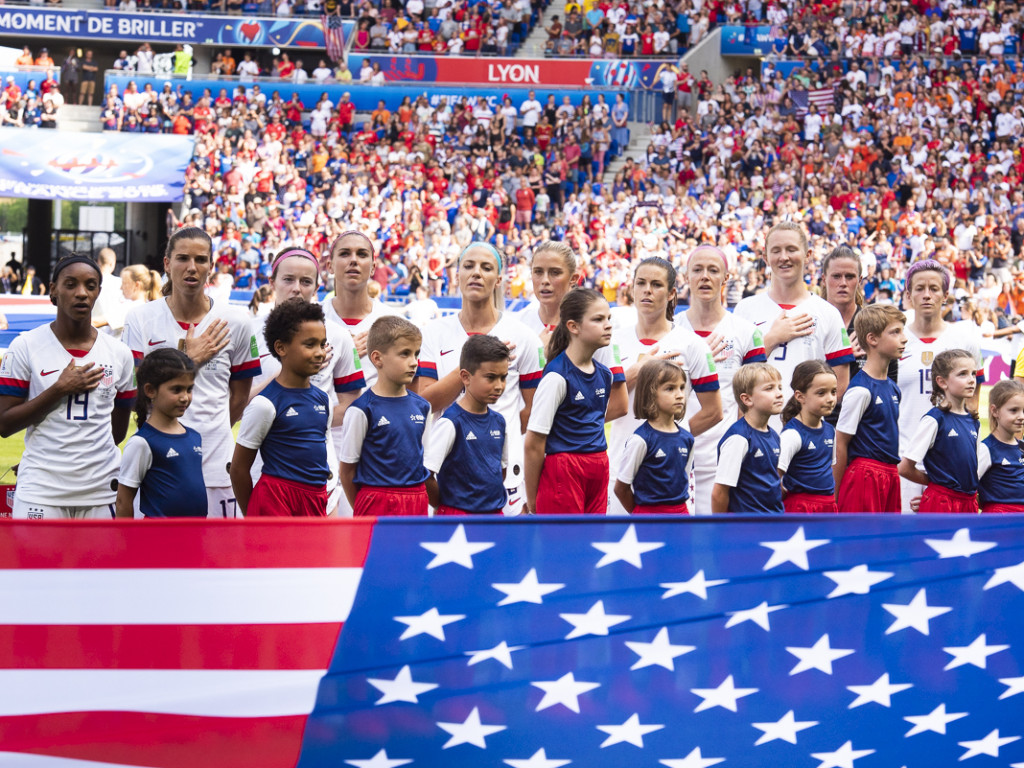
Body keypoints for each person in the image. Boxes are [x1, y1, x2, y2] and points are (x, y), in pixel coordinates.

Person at [123, 227, 261, 518]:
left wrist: (210, 428)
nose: (191, 267)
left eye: (200, 260)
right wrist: (187, 358)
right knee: (157, 561)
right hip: (156, 463)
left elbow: (239, 396)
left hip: (216, 463)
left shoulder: (236, 321)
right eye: (183, 258)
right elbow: (136, 391)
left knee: (216, 560)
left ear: (211, 266)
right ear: (166, 264)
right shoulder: (140, 319)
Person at [0, 255, 136, 519]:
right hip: (41, 490)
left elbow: (117, 431)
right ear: (53, 290)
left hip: (101, 490)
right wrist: (59, 389)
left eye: (90, 285)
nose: (81, 293)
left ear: (98, 291)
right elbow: (4, 425)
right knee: (38, 562)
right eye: (71, 284)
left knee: (101, 562)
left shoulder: (120, 354)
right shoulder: (25, 346)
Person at [413, 242, 543, 515]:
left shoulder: (523, 336)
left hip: (505, 473)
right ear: (457, 274)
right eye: (469, 266)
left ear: (498, 280)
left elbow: (532, 412)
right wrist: (474, 365)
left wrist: (492, 436)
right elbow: (425, 403)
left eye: (486, 268)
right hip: (451, 474)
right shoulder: (433, 334)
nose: (476, 273)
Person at [600, 256, 720, 514]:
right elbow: (597, 411)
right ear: (631, 289)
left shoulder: (692, 344)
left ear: (671, 293)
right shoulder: (610, 343)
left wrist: (668, 438)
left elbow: (714, 411)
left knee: (675, 552)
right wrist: (636, 372)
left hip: (672, 476)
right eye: (641, 283)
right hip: (620, 470)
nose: (647, 290)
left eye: (656, 284)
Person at [248, 248, 364, 514]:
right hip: (261, 467)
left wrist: (308, 420)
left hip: (319, 468)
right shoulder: (249, 333)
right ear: (272, 283)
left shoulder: (338, 336)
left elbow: (351, 406)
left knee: (324, 554)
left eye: (306, 281)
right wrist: (289, 374)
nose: (296, 289)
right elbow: (238, 403)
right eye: (288, 279)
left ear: (317, 286)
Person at [734, 222, 854, 429]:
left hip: (807, 439)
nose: (784, 257)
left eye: (791, 249)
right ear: (765, 257)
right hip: (754, 436)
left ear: (807, 255)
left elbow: (840, 385)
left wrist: (804, 418)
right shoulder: (745, 309)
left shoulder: (827, 313)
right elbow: (734, 375)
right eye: (776, 251)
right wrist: (771, 339)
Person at [677, 245, 766, 514]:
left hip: (723, 462)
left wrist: (738, 451)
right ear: (686, 277)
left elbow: (752, 402)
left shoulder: (746, 333)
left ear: (726, 278)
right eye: (698, 270)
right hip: (674, 455)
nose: (705, 276)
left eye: (713, 270)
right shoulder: (671, 330)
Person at [524, 289, 624, 515]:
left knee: (593, 544)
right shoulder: (556, 377)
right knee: (564, 545)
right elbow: (534, 442)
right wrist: (532, 497)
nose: (608, 325)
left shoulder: (605, 374)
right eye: (598, 319)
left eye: (609, 319)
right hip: (564, 469)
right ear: (573, 326)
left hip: (599, 465)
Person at [231, 300, 333, 517]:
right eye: (309, 344)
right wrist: (253, 515)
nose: (319, 353)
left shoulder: (323, 400)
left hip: (315, 500)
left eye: (322, 344)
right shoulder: (264, 404)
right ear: (281, 347)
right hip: (276, 501)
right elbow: (239, 470)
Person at [896, 260, 984, 512]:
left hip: (951, 469)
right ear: (908, 294)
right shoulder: (894, 338)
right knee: (905, 543)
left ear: (946, 295)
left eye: (934, 288)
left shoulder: (965, 339)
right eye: (919, 288)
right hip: (903, 458)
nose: (926, 295)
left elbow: (974, 402)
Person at [338, 316, 430, 517]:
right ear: (377, 358)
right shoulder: (361, 409)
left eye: (416, 354)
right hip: (376, 501)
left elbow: (424, 460)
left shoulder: (423, 407)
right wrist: (364, 508)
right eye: (405, 354)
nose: (414, 362)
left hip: (417, 499)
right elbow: (346, 472)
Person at [424, 335, 510, 516]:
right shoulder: (450, 423)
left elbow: (500, 471)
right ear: (465, 377)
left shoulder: (499, 422)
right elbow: (426, 473)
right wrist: (443, 504)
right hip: (457, 516)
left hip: (495, 515)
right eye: (491, 377)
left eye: (503, 377)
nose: (499, 386)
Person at [116, 349, 206, 518]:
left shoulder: (195, 436)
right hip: (157, 538)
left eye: (189, 389)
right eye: (176, 389)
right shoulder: (142, 443)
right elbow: (123, 501)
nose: (185, 397)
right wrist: (125, 542)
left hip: (194, 536)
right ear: (150, 390)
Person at [834, 305, 906, 514]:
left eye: (903, 332)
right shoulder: (860, 391)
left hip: (890, 474)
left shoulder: (892, 388)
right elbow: (840, 442)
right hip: (865, 477)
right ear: (872, 339)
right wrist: (835, 497)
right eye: (895, 332)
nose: (904, 339)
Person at [899, 350, 980, 514]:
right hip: (941, 504)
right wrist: (936, 488)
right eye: (963, 374)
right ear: (942, 382)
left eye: (973, 373)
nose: (971, 380)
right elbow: (905, 468)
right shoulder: (934, 420)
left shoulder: (973, 421)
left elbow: (972, 471)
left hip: (968, 503)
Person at [614, 359, 694, 514]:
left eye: (682, 388)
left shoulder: (688, 439)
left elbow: (684, 480)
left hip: (681, 516)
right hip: (649, 518)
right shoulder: (640, 440)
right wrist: (641, 515)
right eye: (670, 389)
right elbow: (621, 488)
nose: (679, 395)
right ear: (651, 393)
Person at [778, 361, 839, 513]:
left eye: (833, 392)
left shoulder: (830, 430)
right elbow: (772, 477)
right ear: (800, 396)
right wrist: (784, 494)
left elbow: (828, 471)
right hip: (800, 509)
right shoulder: (792, 435)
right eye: (821, 393)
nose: (830, 398)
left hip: (828, 506)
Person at [517, 241, 580, 346]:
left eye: (555, 272)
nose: (545, 280)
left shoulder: (591, 327)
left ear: (573, 279)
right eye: (538, 272)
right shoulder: (519, 324)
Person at [977, 379, 1024, 513]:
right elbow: (964, 488)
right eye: (1014, 410)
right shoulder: (986, 449)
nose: (1021, 416)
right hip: (998, 522)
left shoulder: (1022, 447)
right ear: (995, 411)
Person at [92, 247, 127, 338]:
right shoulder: (122, 284)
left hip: (94, 334)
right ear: (113, 263)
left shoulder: (91, 284)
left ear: (98, 262)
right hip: (117, 336)